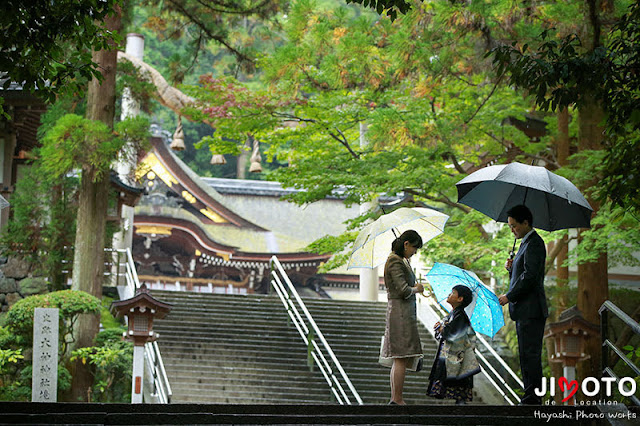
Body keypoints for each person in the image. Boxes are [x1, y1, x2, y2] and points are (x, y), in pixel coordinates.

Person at [498, 204, 548, 405]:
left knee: (531, 354)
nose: (512, 230)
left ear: (525, 222)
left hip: (531, 309)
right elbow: (522, 274)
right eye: (510, 226)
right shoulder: (525, 243)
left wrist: (509, 295)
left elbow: (530, 277)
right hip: (524, 310)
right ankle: (530, 396)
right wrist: (511, 269)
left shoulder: (534, 243)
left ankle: (533, 398)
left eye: (514, 226)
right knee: (526, 355)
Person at [379, 230, 424, 405]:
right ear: (406, 244)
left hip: (402, 312)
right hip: (400, 313)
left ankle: (396, 397)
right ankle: (397, 398)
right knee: (401, 355)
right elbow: (403, 290)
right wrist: (417, 289)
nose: (415, 252)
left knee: (401, 356)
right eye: (414, 248)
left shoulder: (401, 260)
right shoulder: (395, 261)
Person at [427, 285, 479, 405]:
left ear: (460, 299)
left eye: (452, 293)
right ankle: (459, 403)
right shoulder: (454, 314)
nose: (449, 294)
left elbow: (453, 333)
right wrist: (440, 328)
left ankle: (460, 404)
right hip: (452, 355)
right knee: (455, 380)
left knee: (457, 380)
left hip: (457, 356)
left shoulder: (460, 315)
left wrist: (442, 329)